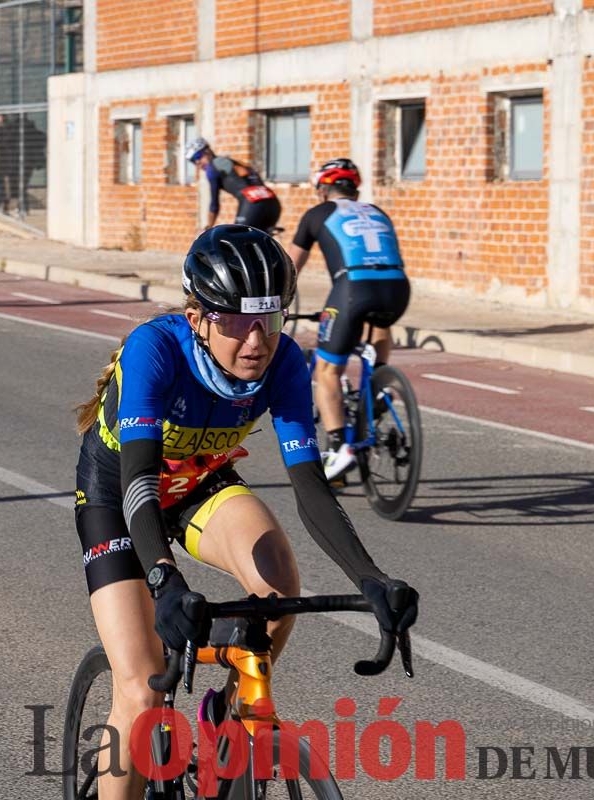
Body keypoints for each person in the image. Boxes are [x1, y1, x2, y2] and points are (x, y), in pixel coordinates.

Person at [73, 224, 419, 798]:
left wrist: (371, 577)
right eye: (236, 321)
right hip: (119, 498)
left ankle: (227, 724)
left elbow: (310, 486)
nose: (256, 339)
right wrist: (163, 579)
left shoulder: (284, 361)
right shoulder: (154, 350)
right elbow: (138, 482)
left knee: (279, 585)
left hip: (199, 486)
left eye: (271, 318)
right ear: (197, 318)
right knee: (139, 689)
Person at [286, 159, 411, 483]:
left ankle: (341, 449)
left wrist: (276, 303)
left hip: (353, 289)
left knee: (328, 370)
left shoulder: (317, 214)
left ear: (323, 189)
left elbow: (288, 269)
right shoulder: (377, 212)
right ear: (354, 188)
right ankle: (378, 388)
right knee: (379, 324)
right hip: (397, 289)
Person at [185, 137, 281, 233]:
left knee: (236, 239)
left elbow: (214, 205)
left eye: (198, 156)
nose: (197, 162)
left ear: (208, 150)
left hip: (253, 204)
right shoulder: (232, 161)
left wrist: (208, 227)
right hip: (273, 202)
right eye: (193, 161)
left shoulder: (211, 169)